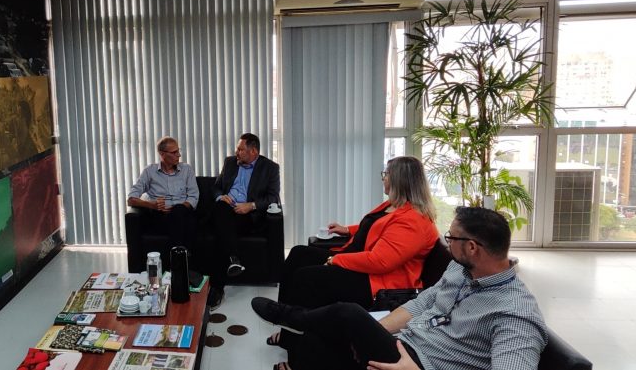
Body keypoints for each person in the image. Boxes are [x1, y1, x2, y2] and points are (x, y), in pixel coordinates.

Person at [251, 206, 548, 370]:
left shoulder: (515, 315)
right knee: (326, 339)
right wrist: (374, 331)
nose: (446, 243)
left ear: (472, 247)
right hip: (404, 342)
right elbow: (422, 303)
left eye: (451, 238)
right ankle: (299, 339)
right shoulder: (460, 268)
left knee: (348, 314)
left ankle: (290, 316)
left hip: (419, 365)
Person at [267, 155, 439, 348]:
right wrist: (348, 230)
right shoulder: (394, 205)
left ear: (400, 180)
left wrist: (336, 260)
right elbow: (376, 226)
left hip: (376, 281)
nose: (383, 178)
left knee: (306, 278)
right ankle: (285, 323)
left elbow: (380, 261)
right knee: (298, 254)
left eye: (386, 174)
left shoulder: (414, 221)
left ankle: (297, 344)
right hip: (360, 261)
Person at [209, 133, 280, 308]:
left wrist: (251, 205)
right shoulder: (230, 163)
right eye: (237, 149)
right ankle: (232, 260)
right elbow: (216, 187)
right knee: (221, 210)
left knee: (221, 232)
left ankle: (217, 288)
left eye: (241, 149)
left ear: (253, 151)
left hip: (247, 216)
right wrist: (221, 196)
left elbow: (273, 197)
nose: (236, 152)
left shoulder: (270, 168)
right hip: (226, 209)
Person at [127, 136, 199, 260]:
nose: (179, 155)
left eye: (178, 151)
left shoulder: (187, 170)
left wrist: (179, 209)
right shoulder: (149, 171)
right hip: (161, 217)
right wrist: (152, 205)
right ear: (162, 154)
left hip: (183, 212)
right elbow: (131, 199)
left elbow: (193, 196)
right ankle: (184, 258)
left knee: (181, 213)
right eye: (174, 152)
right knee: (188, 223)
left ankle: (177, 257)